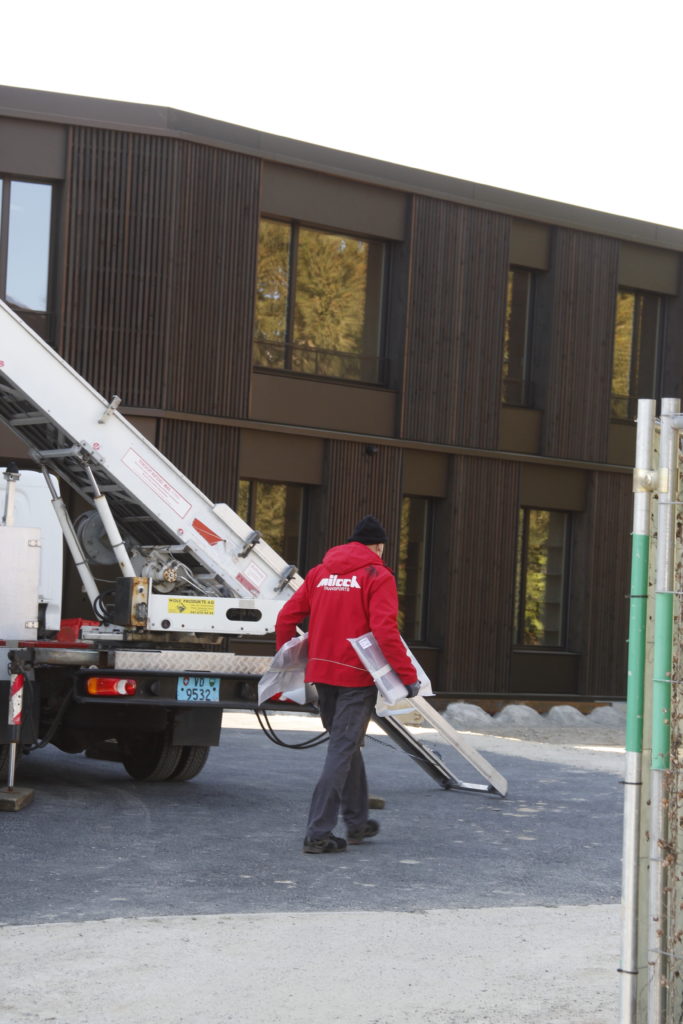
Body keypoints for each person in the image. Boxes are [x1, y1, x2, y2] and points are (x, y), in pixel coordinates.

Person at [275, 514, 419, 854]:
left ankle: (356, 824)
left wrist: (289, 662)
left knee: (346, 744)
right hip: (356, 676)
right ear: (379, 546)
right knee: (341, 749)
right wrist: (408, 677)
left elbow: (286, 618)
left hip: (322, 674)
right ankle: (318, 833)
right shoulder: (377, 575)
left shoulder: (319, 573)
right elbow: (385, 630)